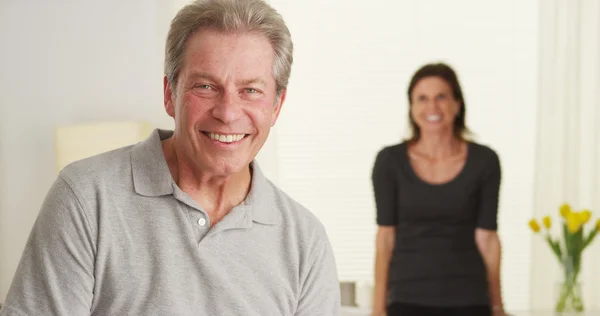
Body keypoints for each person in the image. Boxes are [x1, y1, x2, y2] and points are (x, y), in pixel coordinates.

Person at [0, 1, 340, 315]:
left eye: (251, 90)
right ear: (169, 94)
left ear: (276, 106)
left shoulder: (305, 242)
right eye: (206, 86)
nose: (227, 112)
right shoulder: (87, 198)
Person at [370, 63, 504, 316]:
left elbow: (487, 240)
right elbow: (386, 238)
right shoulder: (390, 161)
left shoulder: (485, 161)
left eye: (441, 97)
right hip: (406, 299)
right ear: (412, 107)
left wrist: (497, 307)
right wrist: (378, 309)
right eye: (422, 98)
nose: (432, 107)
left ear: (457, 104)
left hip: (470, 299)